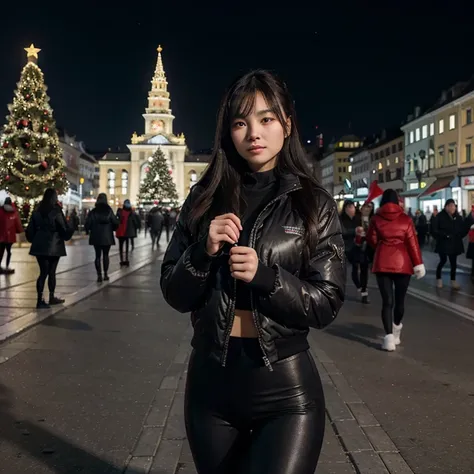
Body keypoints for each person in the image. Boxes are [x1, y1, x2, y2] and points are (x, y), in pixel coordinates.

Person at [160, 70, 345, 474]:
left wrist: (267, 277)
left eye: (266, 119)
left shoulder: (313, 203)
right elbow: (174, 294)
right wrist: (203, 252)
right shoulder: (204, 197)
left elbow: (326, 303)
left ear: (286, 124)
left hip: (285, 390)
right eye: (241, 122)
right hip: (211, 385)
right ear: (228, 131)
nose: (254, 133)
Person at [367, 189, 425, 351]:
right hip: (402, 263)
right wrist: (418, 264)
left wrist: (381, 246)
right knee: (400, 301)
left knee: (387, 302)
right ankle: (397, 328)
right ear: (398, 202)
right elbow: (412, 243)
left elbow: (371, 239)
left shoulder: (376, 218)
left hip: (382, 262)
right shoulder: (406, 219)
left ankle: (389, 338)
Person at [25, 188, 74, 309]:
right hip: (54, 244)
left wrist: (35, 239)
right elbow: (63, 228)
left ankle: (39, 299)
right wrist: (70, 230)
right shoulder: (56, 211)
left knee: (43, 272)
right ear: (54, 198)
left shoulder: (37, 210)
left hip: (39, 244)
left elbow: (30, 230)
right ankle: (51, 297)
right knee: (51, 272)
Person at [85, 193, 119, 282]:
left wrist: (88, 230)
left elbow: (88, 223)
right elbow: (115, 222)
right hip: (107, 236)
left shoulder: (94, 211)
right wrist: (112, 229)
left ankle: (99, 275)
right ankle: (106, 274)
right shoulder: (109, 211)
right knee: (106, 255)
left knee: (97, 256)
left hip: (96, 235)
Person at [431, 199, 465, 289]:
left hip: (454, 244)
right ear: (446, 207)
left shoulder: (458, 217)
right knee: (443, 261)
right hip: (443, 243)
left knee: (453, 263)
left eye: (454, 206)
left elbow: (462, 229)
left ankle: (453, 280)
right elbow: (434, 230)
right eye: (450, 206)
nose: (452, 208)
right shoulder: (440, 216)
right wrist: (444, 235)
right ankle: (439, 279)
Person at [340, 200, 368, 301]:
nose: (352, 209)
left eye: (353, 207)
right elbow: (342, 231)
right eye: (350, 207)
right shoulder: (341, 219)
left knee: (364, 267)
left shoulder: (359, 217)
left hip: (361, 246)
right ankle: (359, 286)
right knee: (355, 267)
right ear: (346, 208)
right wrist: (354, 231)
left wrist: (364, 233)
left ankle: (364, 291)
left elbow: (366, 228)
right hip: (349, 248)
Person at [0, 197, 23, 274]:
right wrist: (19, 230)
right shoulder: (14, 211)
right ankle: (7, 266)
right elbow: (17, 223)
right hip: (10, 236)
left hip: (1, 236)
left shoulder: (1, 211)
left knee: (1, 251)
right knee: (9, 251)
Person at [116, 199, 140, 266]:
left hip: (120, 232)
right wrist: (136, 228)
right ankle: (126, 260)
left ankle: (122, 260)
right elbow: (135, 222)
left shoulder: (120, 212)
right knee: (126, 246)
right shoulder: (131, 213)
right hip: (127, 232)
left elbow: (116, 220)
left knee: (121, 247)